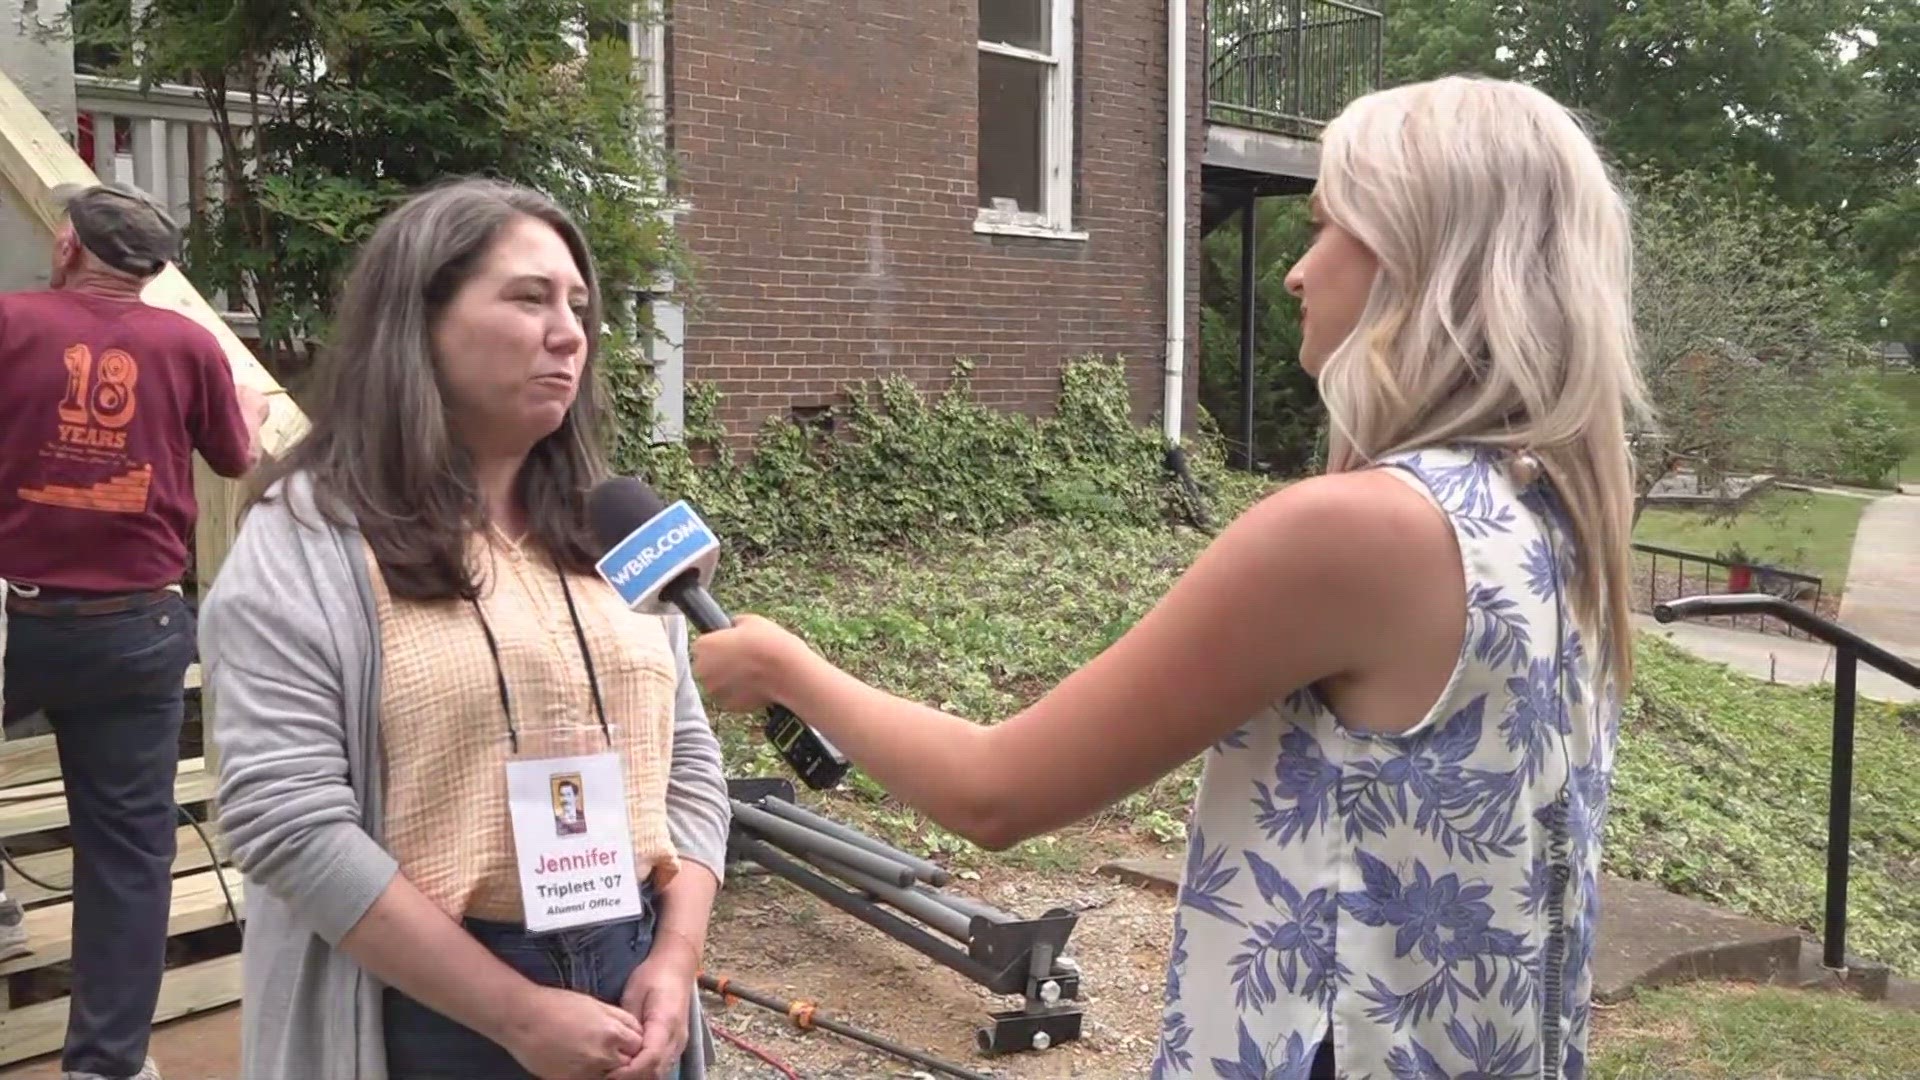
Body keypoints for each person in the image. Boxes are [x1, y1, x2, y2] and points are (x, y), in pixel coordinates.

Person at [692, 75, 1648, 1080]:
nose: (1297, 273)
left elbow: (998, 792)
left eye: (1329, 227)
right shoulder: (1557, 511)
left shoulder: (1359, 534)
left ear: (1423, 258)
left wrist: (782, 665)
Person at [196, 178, 730, 1080]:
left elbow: (689, 760)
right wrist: (515, 1014)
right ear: (419, 321)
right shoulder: (310, 541)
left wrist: (675, 958)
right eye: (529, 297)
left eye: (579, 306)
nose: (571, 332)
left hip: (635, 972)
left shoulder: (615, 528)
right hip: (432, 1008)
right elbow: (284, 819)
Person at [0, 181, 267, 1080]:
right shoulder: (189, 345)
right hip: (135, 627)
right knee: (125, 854)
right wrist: (254, 414)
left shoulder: (9, 323)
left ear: (69, 244)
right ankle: (106, 1066)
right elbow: (239, 458)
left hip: (11, 617)